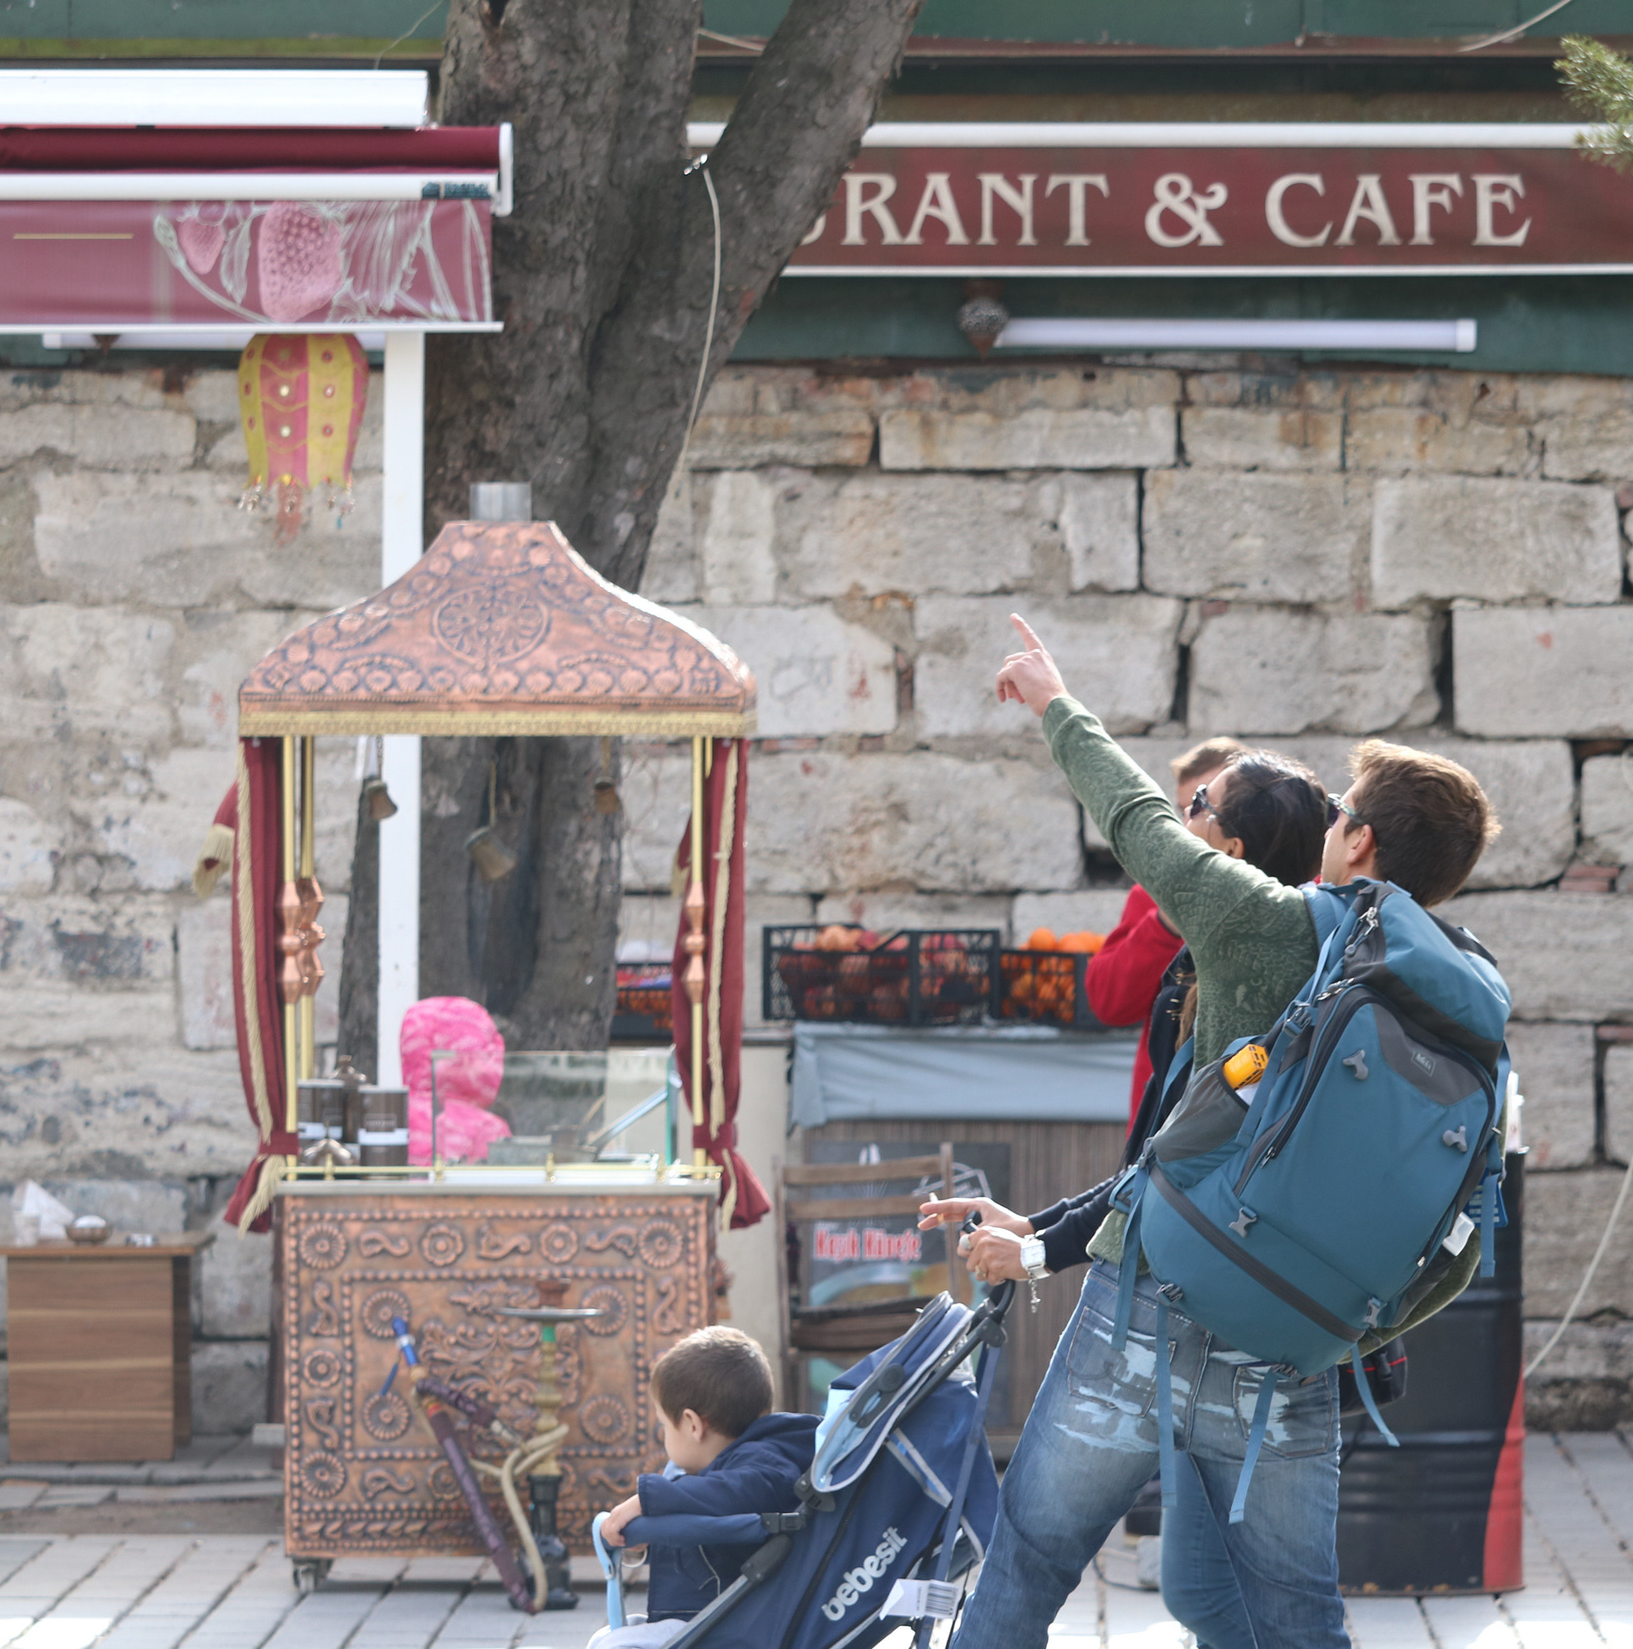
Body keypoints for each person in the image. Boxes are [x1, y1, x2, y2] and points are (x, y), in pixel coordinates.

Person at [932, 615, 1499, 1649]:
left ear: (1359, 842)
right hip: (1292, 1348)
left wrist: (1055, 700)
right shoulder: (1468, 1005)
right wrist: (1352, 1328)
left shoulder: (1273, 927)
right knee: (1289, 1617)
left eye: (1343, 813)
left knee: (1029, 1564)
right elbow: (1466, 1237)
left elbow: (1138, 821)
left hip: (1148, 1308)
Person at [590, 1327, 818, 1649]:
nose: (665, 1436)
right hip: (703, 1616)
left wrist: (650, 1501)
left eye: (665, 1426)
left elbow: (738, 1493)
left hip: (730, 1623)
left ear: (693, 1425)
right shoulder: (707, 1472)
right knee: (607, 1638)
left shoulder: (762, 1461)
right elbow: (707, 1531)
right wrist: (642, 1544)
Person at [1085, 736, 1248, 1131]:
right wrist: (1165, 923)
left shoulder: (1292, 896)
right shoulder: (1154, 897)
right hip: (1161, 1127)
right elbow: (1107, 1001)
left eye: (1203, 808)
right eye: (1183, 811)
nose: (1188, 828)